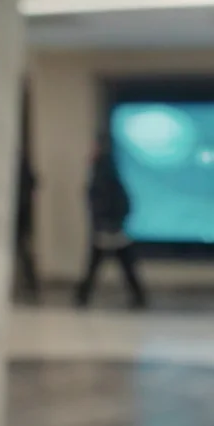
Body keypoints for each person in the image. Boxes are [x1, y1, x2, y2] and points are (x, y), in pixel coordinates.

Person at [75, 132, 148, 309]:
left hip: (107, 228)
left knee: (99, 264)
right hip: (113, 227)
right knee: (123, 264)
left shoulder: (101, 173)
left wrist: (104, 221)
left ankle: (83, 296)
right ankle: (138, 297)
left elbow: (104, 201)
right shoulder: (109, 171)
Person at [13, 156, 41, 303]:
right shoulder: (23, 166)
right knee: (25, 252)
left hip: (20, 217)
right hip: (23, 217)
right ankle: (31, 286)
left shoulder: (20, 167)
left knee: (25, 251)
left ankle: (31, 286)